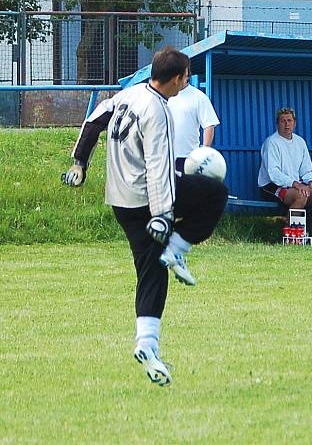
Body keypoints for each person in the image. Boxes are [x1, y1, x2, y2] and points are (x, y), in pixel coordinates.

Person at [62, 46, 228, 386]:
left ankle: (147, 344)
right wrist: (164, 214)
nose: (187, 81)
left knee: (151, 270)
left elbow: (93, 121)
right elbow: (158, 166)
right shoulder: (159, 110)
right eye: (186, 76)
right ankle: (178, 247)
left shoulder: (129, 94)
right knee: (215, 192)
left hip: (121, 202)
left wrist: (80, 163)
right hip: (146, 200)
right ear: (179, 78)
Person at [258, 107, 312, 243]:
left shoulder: (300, 142)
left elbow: (306, 168)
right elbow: (274, 173)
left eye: (289, 120)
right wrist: (296, 184)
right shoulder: (271, 143)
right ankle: (291, 238)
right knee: (301, 195)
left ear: (294, 123)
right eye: (283, 121)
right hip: (271, 186)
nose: (286, 124)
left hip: (295, 184)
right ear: (277, 123)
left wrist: (311, 181)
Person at [168, 79, 220, 173]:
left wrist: (203, 153)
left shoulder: (199, 97)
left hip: (188, 158)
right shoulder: (164, 94)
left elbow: (209, 125)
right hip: (164, 157)